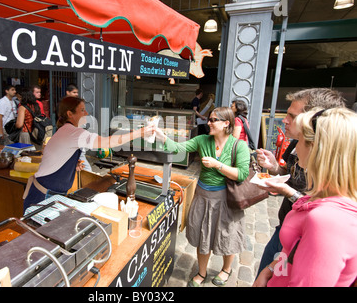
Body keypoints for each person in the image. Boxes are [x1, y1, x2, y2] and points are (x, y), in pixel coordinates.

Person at [254, 107, 357, 287]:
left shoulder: (327, 221)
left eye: (300, 138)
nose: (295, 145)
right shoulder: (325, 198)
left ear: (317, 150)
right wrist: (270, 270)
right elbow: (291, 251)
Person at [155, 107, 250, 287]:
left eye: (213, 120)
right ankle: (202, 272)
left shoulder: (239, 146)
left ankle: (226, 269)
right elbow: (178, 148)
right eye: (209, 119)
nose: (208, 123)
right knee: (203, 234)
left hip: (226, 199)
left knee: (226, 235)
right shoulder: (202, 140)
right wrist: (161, 136)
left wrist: (217, 165)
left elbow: (242, 174)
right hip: (203, 196)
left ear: (226, 123)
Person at [23, 96, 155, 211]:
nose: (86, 113)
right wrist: (140, 133)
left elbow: (55, 158)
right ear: (70, 114)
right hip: (43, 196)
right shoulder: (73, 132)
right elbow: (107, 143)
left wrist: (70, 165)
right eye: (82, 110)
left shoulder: (66, 130)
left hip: (49, 193)